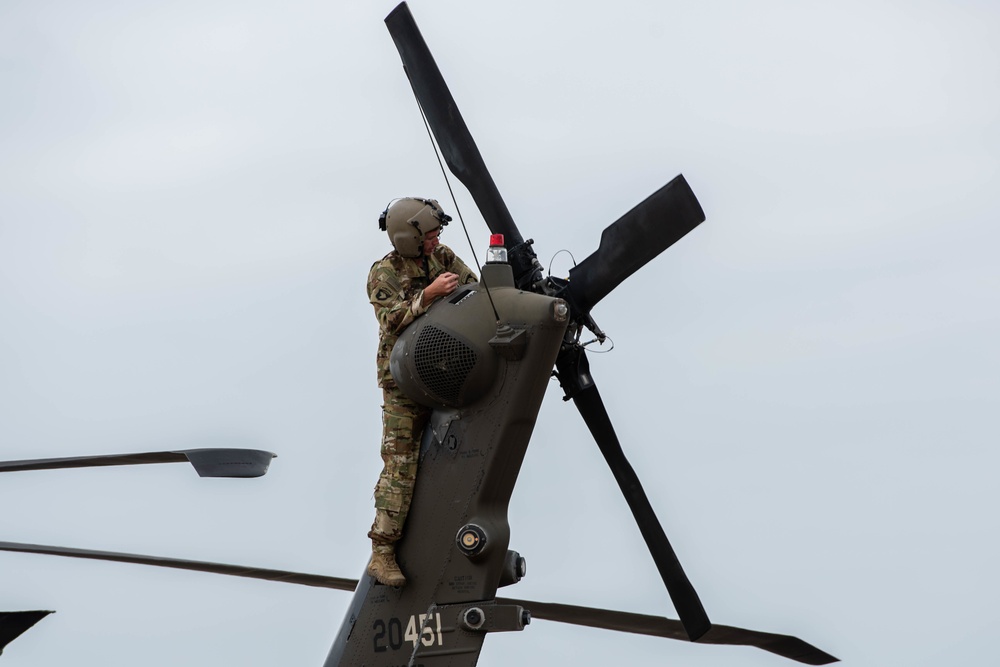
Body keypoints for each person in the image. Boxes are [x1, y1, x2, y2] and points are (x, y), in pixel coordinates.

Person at [366, 197, 478, 587]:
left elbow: (474, 289)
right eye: (430, 236)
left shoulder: (442, 257)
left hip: (444, 369)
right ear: (408, 238)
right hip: (403, 380)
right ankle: (382, 553)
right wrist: (428, 295)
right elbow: (390, 320)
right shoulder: (384, 273)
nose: (436, 241)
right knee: (401, 467)